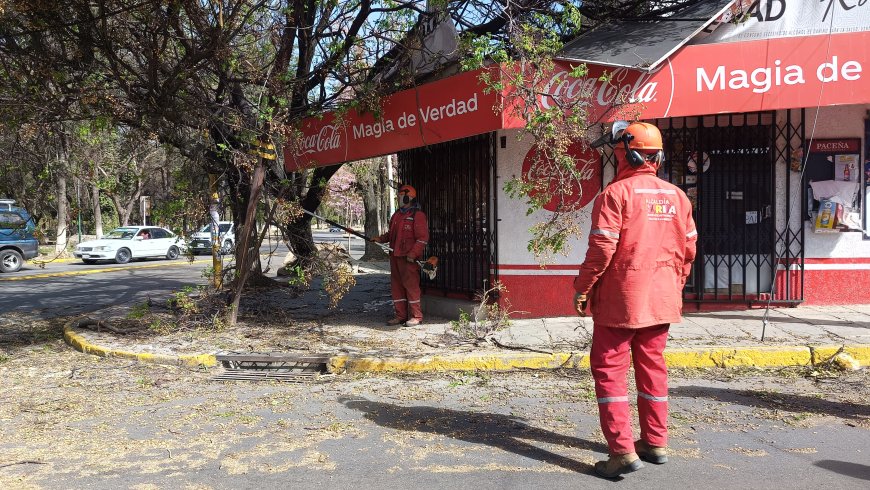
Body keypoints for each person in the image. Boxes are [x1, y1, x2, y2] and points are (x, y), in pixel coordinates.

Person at [573, 122, 697, 479]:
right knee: (653, 369)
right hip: (661, 299)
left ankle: (621, 452)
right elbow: (688, 250)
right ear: (656, 155)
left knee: (610, 372)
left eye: (616, 150)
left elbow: (601, 249)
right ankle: (655, 442)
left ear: (625, 153)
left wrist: (583, 288)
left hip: (620, 301)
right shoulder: (677, 196)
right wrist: (675, 286)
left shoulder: (615, 194)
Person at [371, 184, 429, 327]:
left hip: (409, 259)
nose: (398, 198)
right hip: (395, 256)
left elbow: (422, 238)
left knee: (411, 286)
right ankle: (400, 315)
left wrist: (413, 254)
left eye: (401, 196)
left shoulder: (418, 215)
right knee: (396, 286)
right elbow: (391, 235)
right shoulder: (396, 215)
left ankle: (416, 316)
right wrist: (379, 239)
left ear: (408, 197)